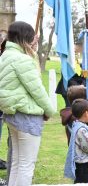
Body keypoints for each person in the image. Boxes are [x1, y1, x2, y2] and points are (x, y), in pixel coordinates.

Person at [0, 21, 55, 185]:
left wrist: (31, 50)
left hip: (12, 115)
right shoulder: (22, 60)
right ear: (25, 38)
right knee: (26, 166)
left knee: (17, 163)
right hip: (27, 117)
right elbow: (37, 90)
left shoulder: (5, 56)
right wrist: (50, 110)